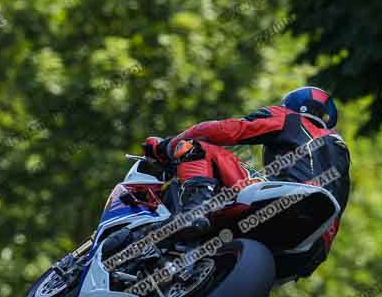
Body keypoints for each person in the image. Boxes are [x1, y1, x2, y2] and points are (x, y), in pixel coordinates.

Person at [143, 86, 351, 280]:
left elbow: (226, 130)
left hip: (289, 199)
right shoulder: (340, 149)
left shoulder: (289, 118)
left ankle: (193, 212)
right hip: (313, 248)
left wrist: (166, 147)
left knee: (195, 147)